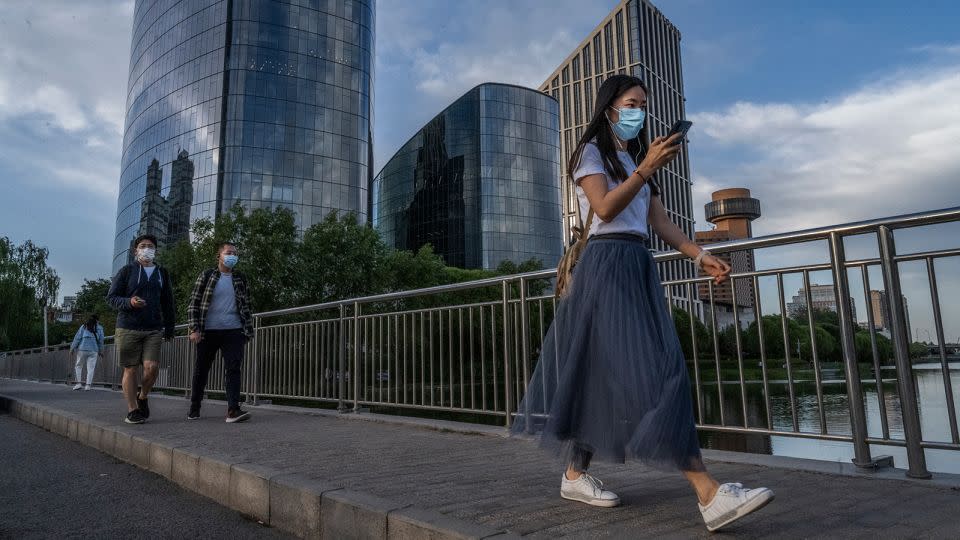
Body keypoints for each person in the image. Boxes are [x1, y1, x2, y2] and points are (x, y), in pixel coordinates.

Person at [511, 75, 774, 532]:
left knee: (603, 373)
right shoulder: (591, 154)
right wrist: (645, 169)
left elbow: (660, 224)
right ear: (609, 107)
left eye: (643, 105)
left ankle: (574, 473)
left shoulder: (636, 159)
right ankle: (708, 493)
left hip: (638, 263)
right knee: (654, 372)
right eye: (631, 103)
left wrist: (701, 255)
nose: (639, 112)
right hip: (606, 264)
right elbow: (606, 208)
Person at [106, 234, 175, 424]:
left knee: (152, 368)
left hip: (153, 328)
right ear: (135, 251)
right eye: (143, 246)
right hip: (128, 327)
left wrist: (170, 326)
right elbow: (111, 297)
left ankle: (143, 396)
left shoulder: (162, 273)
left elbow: (168, 301)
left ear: (155, 250)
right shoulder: (127, 271)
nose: (147, 249)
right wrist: (129, 302)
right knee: (130, 369)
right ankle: (132, 410)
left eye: (150, 246)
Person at [186, 242, 254, 423]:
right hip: (208, 331)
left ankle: (233, 409)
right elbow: (194, 302)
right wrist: (194, 328)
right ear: (219, 256)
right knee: (201, 369)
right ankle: (195, 406)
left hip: (234, 330)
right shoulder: (208, 275)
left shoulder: (240, 278)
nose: (232, 255)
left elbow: (247, 305)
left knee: (233, 368)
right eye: (228, 252)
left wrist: (248, 331)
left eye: (234, 253)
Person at [69, 314, 104, 390]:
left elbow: (77, 338)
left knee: (78, 366)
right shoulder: (100, 328)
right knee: (91, 368)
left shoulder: (84, 326)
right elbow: (101, 341)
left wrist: (72, 348)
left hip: (82, 349)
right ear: (97, 320)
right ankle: (88, 385)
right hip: (93, 350)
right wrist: (101, 351)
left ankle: (78, 384)